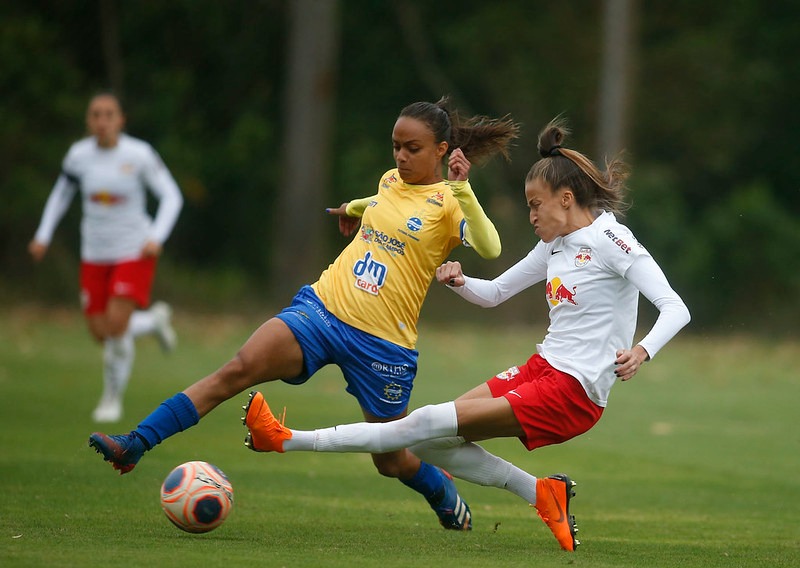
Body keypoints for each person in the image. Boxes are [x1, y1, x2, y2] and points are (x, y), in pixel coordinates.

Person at [240, 117, 691, 551]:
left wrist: (642, 350)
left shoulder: (613, 241)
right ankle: (542, 494)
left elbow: (675, 307)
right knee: (428, 443)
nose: (531, 215)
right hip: (542, 369)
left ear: (567, 198)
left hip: (574, 391)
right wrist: (459, 281)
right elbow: (495, 293)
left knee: (417, 425)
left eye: (536, 205)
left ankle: (284, 438)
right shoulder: (554, 244)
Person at [89, 97, 523, 531]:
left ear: (442, 151)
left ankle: (437, 487)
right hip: (322, 310)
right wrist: (351, 209)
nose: (401, 157)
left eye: (413, 148)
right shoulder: (392, 179)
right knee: (237, 369)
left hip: (384, 345)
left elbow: (491, 248)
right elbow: (379, 199)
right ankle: (136, 443)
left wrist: (463, 188)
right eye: (396, 146)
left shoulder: (449, 203)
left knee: (390, 459)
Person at [30, 92, 183, 423]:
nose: (102, 121)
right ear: (88, 121)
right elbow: (61, 194)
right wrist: (43, 234)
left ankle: (111, 400)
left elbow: (171, 196)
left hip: (134, 250)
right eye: (95, 114)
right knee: (100, 332)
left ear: (120, 120)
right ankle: (153, 322)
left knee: (115, 327)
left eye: (108, 114)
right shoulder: (78, 156)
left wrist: (156, 237)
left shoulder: (139, 154)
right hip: (94, 254)